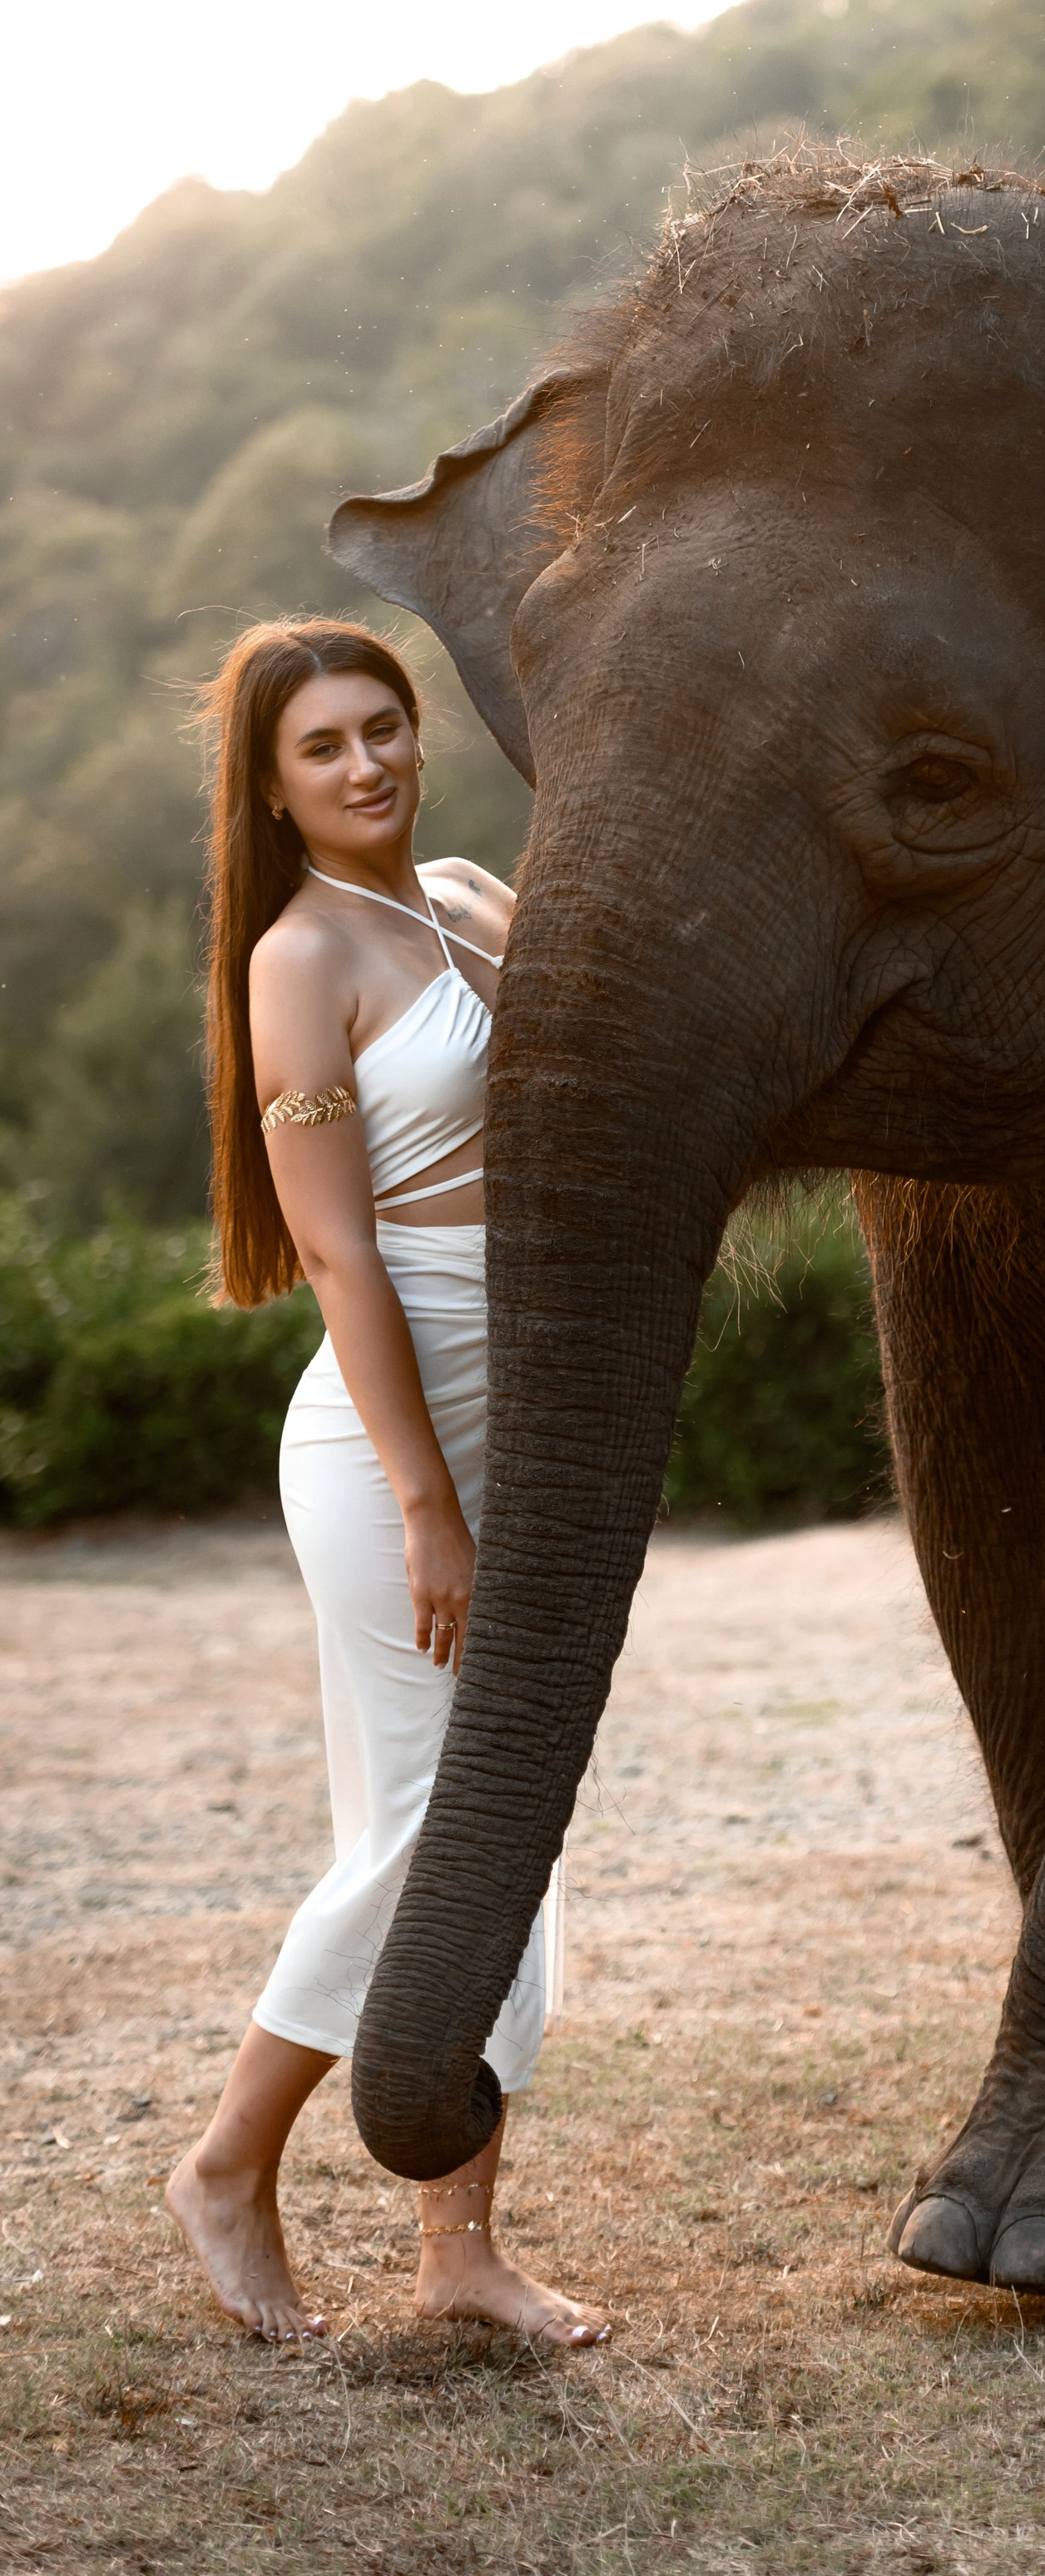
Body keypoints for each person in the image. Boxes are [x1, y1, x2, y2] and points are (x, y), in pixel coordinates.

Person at [166, 618, 607, 2346]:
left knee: (513, 1816)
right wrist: (427, 1503)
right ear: (271, 788)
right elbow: (340, 1257)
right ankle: (226, 2164)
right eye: (324, 747)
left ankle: (458, 2251)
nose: (367, 764)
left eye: (386, 727)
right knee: (431, 1823)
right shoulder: (298, 959)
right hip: (385, 1439)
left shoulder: (469, 894)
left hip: (530, 1411)